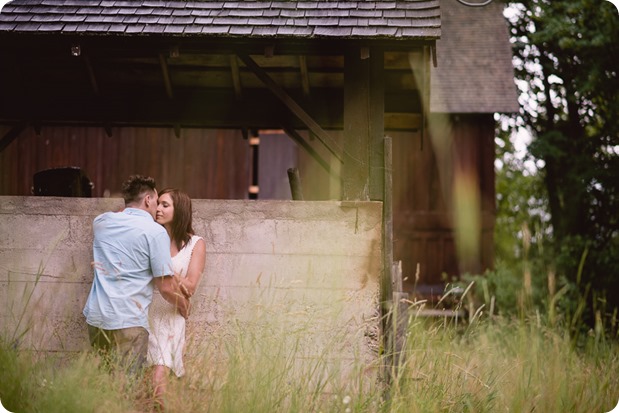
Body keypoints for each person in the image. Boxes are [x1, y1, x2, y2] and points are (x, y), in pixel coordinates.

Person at [83, 175, 190, 375]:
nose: (157, 208)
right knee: (126, 389)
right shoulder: (155, 232)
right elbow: (166, 287)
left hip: (96, 319)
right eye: (156, 202)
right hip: (128, 322)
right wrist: (184, 306)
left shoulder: (101, 222)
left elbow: (120, 214)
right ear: (148, 200)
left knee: (104, 384)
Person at [147, 188, 206, 406]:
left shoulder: (195, 244)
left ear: (178, 209)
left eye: (165, 205)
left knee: (158, 383)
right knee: (145, 388)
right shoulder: (154, 238)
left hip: (172, 317)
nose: (158, 209)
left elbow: (190, 287)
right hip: (147, 313)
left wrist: (165, 270)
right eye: (158, 204)